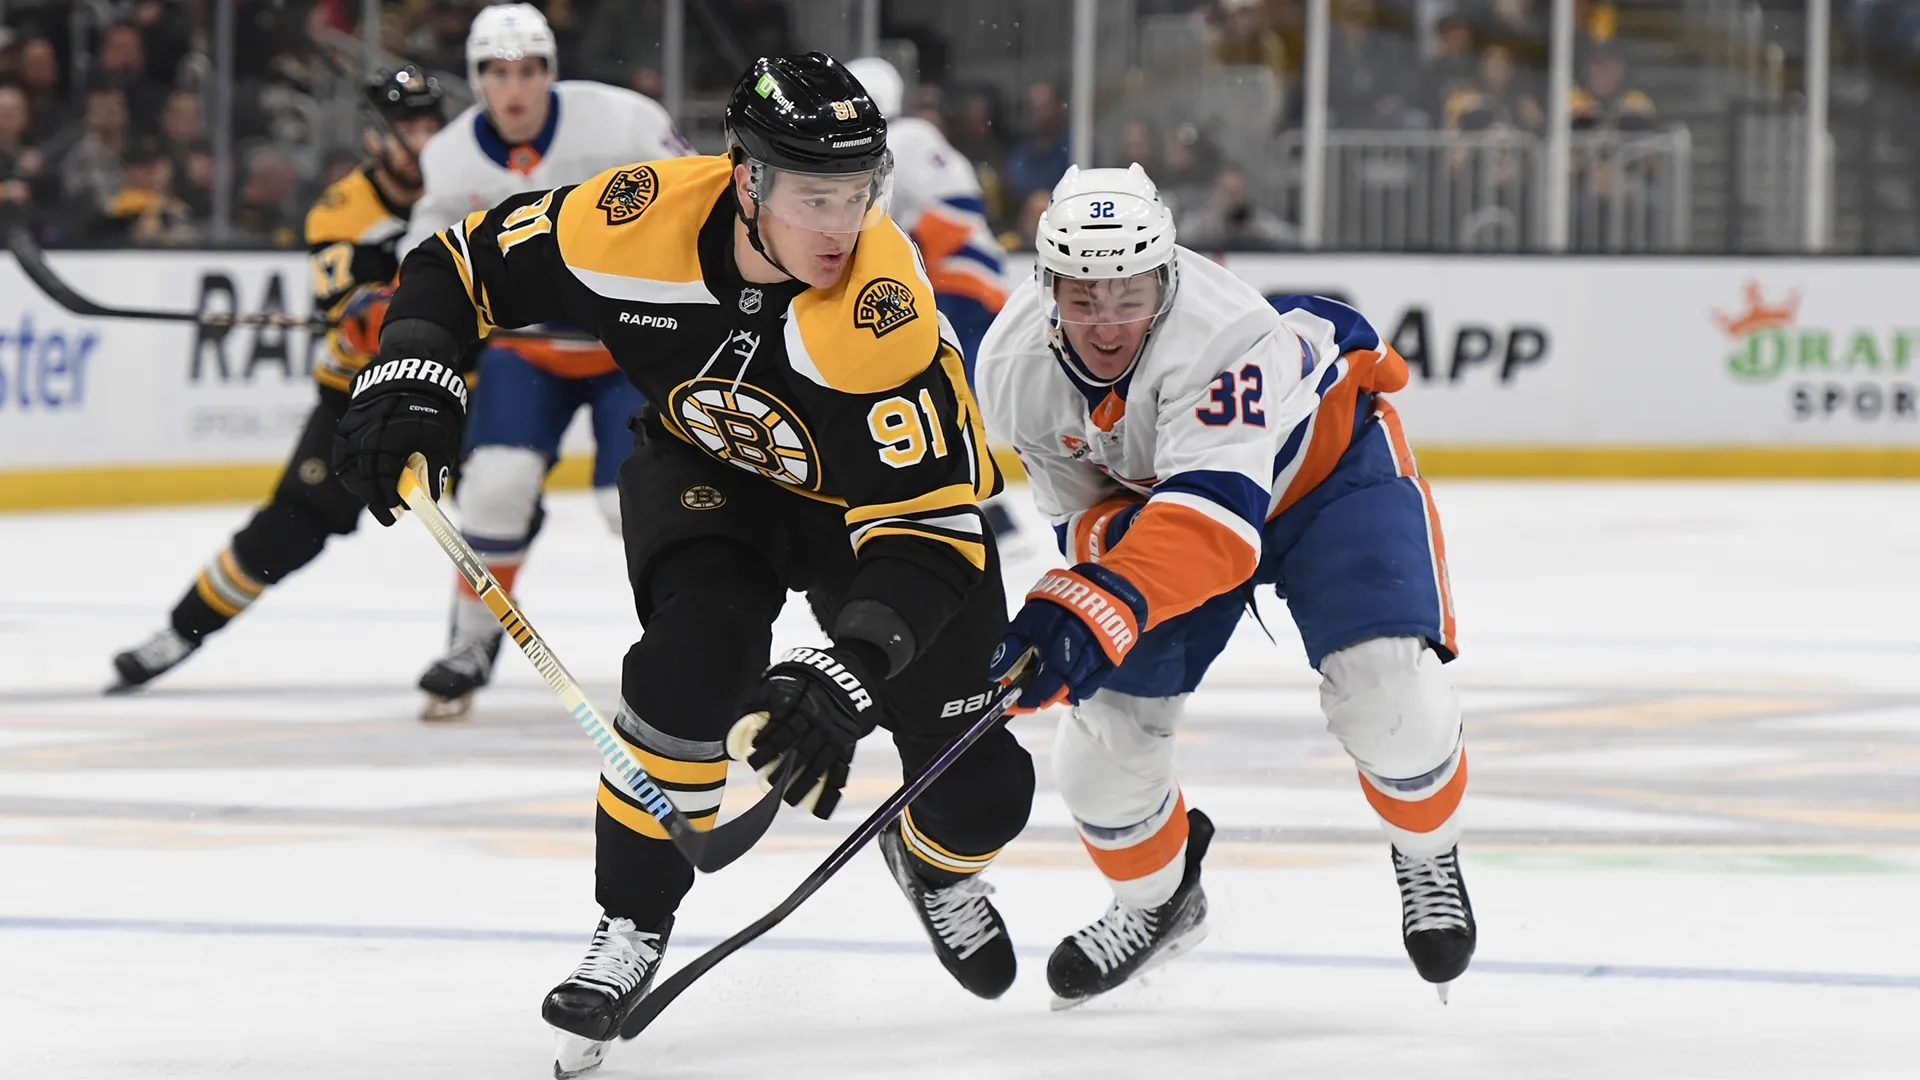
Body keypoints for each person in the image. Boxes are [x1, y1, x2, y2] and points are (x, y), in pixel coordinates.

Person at [329, 53, 1034, 1077]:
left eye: (857, 194)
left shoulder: (882, 312)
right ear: (746, 180)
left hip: (877, 521)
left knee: (983, 789)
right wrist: (415, 364)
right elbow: (460, 260)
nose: (842, 227)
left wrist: (850, 669)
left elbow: (930, 535)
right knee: (686, 669)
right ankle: (631, 925)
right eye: (813, 196)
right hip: (710, 476)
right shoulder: (634, 217)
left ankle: (932, 860)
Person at [975, 164, 1476, 1009]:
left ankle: (1427, 852)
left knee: (1390, 699)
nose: (1105, 324)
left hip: (1324, 475)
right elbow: (1084, 518)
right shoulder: (1011, 364)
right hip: (1166, 514)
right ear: (1046, 283)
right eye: (1082, 296)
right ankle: (1159, 901)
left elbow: (1218, 527)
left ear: (1166, 278)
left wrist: (1090, 606)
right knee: (1099, 757)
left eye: (1128, 295)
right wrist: (1080, 606)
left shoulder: (1224, 331)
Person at [399, 2, 695, 719]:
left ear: (550, 72)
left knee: (631, 507)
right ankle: (470, 640)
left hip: (630, 346)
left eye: (529, 70)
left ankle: (695, 648)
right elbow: (430, 263)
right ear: (477, 79)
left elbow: (699, 203)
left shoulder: (624, 122)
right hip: (527, 352)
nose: (515, 89)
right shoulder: (448, 158)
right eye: (498, 73)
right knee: (497, 486)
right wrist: (396, 306)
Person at [108, 66, 447, 690]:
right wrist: (371, 309)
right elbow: (360, 321)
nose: (423, 140)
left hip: (460, 391)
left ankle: (466, 656)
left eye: (431, 125)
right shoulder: (345, 208)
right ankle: (179, 632)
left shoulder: (469, 187)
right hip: (362, 397)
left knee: (503, 503)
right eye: (408, 127)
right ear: (376, 136)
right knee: (292, 523)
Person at [844, 57, 1023, 543]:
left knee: (942, 399)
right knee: (935, 398)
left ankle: (987, 512)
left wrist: (902, 255)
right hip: (950, 291)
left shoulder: (905, 139)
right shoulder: (887, 143)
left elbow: (960, 209)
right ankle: (983, 509)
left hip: (959, 290)